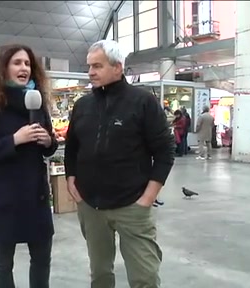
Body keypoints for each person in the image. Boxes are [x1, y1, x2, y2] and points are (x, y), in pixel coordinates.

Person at [64, 40, 175, 288]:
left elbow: (165, 151)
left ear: (118, 67)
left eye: (97, 66)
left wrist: (147, 198)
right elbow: (72, 145)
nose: (91, 71)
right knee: (100, 275)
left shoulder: (143, 102)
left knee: (144, 277)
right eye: (89, 66)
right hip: (91, 206)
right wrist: (71, 177)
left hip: (132, 206)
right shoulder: (83, 106)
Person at [0, 44, 58, 288]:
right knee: (3, 263)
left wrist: (48, 141)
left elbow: (50, 146)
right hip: (3, 197)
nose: (24, 68)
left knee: (42, 258)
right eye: (17, 63)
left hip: (35, 195)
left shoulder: (37, 103)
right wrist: (14, 140)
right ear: (4, 68)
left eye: (28, 64)